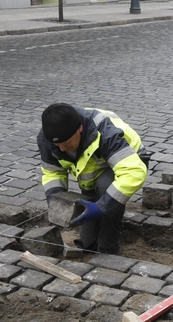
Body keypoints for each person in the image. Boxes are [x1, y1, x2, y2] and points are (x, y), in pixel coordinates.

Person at [37, 103, 148, 255]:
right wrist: (55, 199)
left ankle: (109, 248)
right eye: (57, 144)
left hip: (129, 161)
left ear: (80, 129)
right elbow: (52, 173)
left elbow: (133, 172)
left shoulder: (104, 132)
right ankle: (89, 247)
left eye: (66, 143)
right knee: (88, 238)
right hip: (91, 170)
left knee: (106, 190)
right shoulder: (47, 139)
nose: (61, 148)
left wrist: (102, 207)